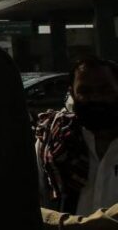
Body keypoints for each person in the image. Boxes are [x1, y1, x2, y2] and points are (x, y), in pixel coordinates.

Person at [36, 57, 118, 215]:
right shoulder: (53, 141)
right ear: (72, 93)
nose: (96, 98)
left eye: (105, 90)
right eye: (85, 92)